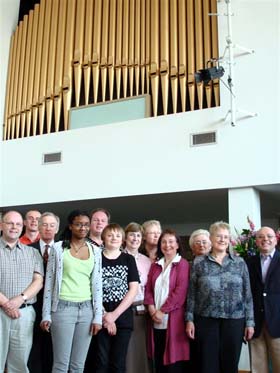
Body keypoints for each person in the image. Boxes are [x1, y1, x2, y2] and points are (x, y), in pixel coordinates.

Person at [185, 221, 255, 373]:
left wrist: (250, 322)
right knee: (207, 365)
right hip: (205, 320)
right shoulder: (199, 263)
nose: (223, 240)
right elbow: (191, 294)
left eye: (226, 237)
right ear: (211, 238)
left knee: (230, 365)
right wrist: (189, 320)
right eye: (219, 236)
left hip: (235, 321)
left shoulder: (239, 263)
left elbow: (247, 295)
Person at [41, 210, 103, 373]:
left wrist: (97, 316)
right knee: (61, 365)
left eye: (86, 225)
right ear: (70, 226)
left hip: (87, 310)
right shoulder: (58, 248)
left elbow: (97, 284)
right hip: (62, 309)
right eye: (78, 224)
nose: (83, 228)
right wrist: (46, 314)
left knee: (78, 365)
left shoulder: (95, 251)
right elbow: (49, 282)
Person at [0, 210, 44, 373]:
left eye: (18, 224)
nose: (14, 227)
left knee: (19, 365)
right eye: (10, 223)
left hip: (24, 314)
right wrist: (6, 304)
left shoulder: (32, 253)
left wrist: (20, 299)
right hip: (0, 312)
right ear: (1, 225)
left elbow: (38, 281)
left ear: (22, 226)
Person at [144, 229, 190, 373]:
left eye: (171, 241)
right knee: (158, 360)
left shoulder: (182, 264)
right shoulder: (155, 265)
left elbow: (180, 292)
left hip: (174, 320)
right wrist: (152, 310)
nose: (167, 245)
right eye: (163, 242)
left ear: (177, 245)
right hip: (155, 320)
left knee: (173, 363)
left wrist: (162, 311)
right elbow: (148, 290)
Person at [96, 223, 139, 373]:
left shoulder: (129, 259)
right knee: (101, 362)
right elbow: (92, 289)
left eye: (118, 235)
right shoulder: (95, 259)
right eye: (110, 235)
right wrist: (104, 316)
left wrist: (113, 316)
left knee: (118, 363)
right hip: (99, 317)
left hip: (123, 318)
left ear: (122, 240)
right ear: (103, 239)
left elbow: (133, 289)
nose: (114, 238)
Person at [28, 212, 60, 373]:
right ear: (39, 227)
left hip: (57, 308)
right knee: (33, 348)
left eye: (52, 225)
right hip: (33, 305)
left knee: (55, 350)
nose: (48, 228)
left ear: (57, 229)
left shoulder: (64, 249)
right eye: (45, 224)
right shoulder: (27, 250)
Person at [246, 226, 280, 373]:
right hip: (255, 323)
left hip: (278, 321)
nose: (265, 239)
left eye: (269, 236)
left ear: (275, 239)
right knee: (258, 366)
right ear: (256, 241)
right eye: (260, 236)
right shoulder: (248, 263)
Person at [124, 222, 152, 373]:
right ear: (125, 237)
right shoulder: (119, 256)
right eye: (132, 235)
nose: (135, 238)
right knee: (127, 350)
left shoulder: (146, 261)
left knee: (141, 349)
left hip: (143, 311)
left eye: (138, 235)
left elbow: (150, 287)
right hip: (123, 309)